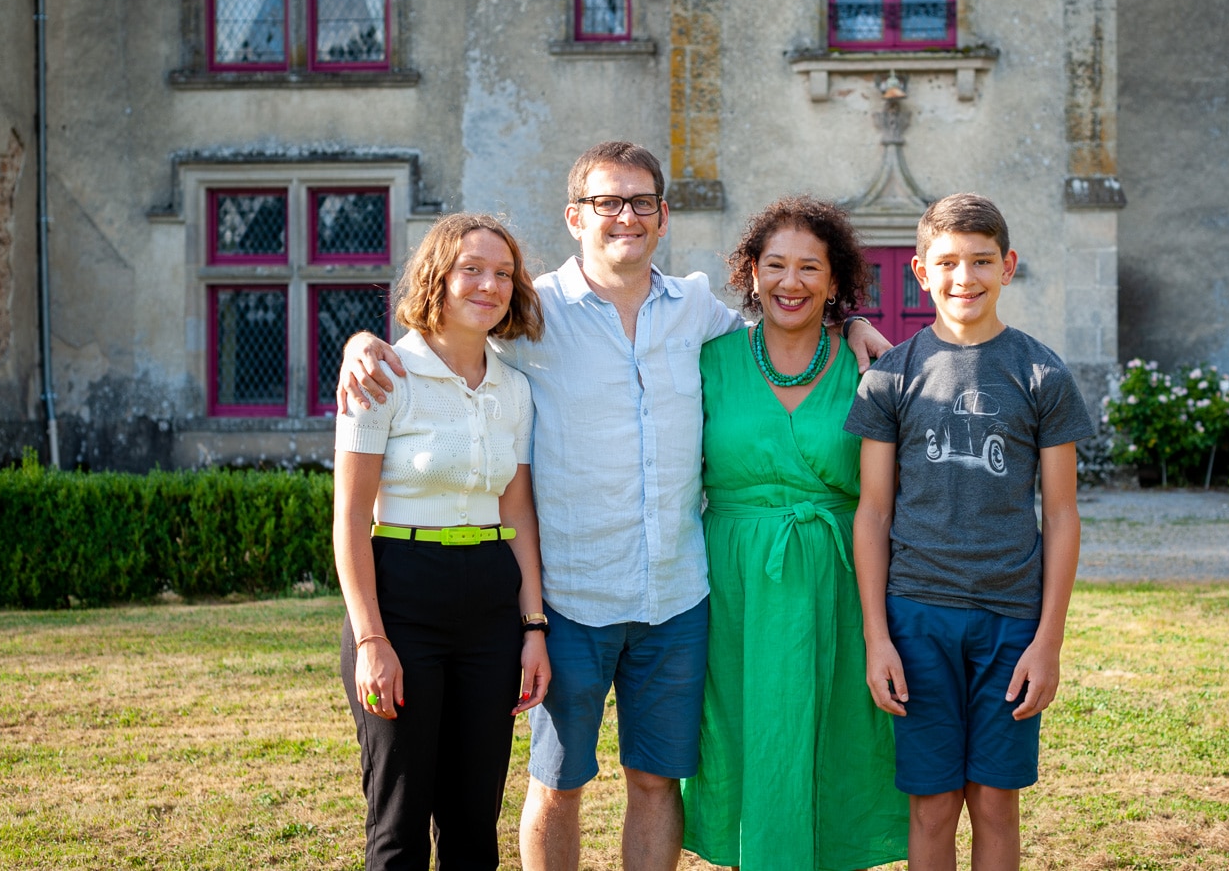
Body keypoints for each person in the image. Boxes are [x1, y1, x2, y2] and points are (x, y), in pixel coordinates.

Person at [335, 142, 891, 871]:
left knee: (657, 781)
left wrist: (851, 324)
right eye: (606, 202)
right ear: (575, 216)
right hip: (571, 597)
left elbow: (783, 326)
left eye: (640, 203)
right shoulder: (529, 314)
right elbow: (447, 333)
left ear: (663, 218)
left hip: (677, 596)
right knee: (558, 782)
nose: (624, 216)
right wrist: (364, 341)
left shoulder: (697, 308)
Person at [845, 193, 1094, 871]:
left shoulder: (1040, 373)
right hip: (917, 617)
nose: (965, 278)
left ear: (1007, 266)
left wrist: (1048, 643)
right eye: (948, 263)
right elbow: (872, 513)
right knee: (930, 806)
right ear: (920, 272)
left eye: (981, 261)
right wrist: (877, 637)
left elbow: (1063, 513)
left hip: (1011, 621)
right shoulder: (891, 376)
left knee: (993, 801)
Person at [682, 195, 909, 871]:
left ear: (836, 282)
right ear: (750, 273)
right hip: (733, 588)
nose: (791, 282)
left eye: (810, 267)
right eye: (775, 265)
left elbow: (882, 505)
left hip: (838, 580)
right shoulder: (708, 359)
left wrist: (878, 631)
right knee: (750, 743)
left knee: (837, 747)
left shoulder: (869, 368)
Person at [332, 212, 551, 870]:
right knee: (398, 824)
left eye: (504, 274)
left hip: (489, 606)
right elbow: (349, 519)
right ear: (439, 277)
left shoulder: (515, 387)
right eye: (472, 269)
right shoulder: (382, 374)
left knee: (472, 824)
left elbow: (517, 512)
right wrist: (372, 641)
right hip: (402, 595)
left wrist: (533, 626)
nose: (489, 285)